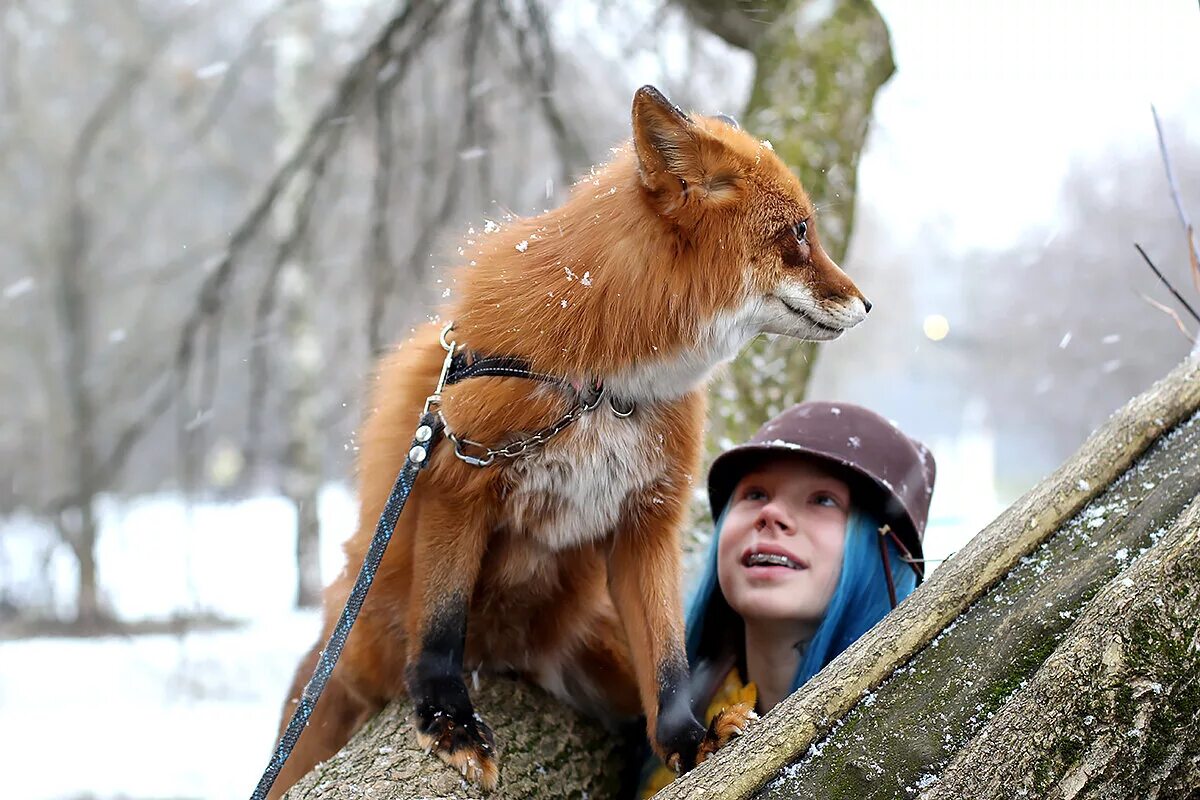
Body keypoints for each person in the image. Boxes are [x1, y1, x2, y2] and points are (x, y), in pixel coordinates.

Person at [638, 401, 936, 797]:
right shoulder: (655, 710)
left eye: (823, 500)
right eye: (755, 493)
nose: (772, 513)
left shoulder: (911, 753)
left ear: (882, 548)